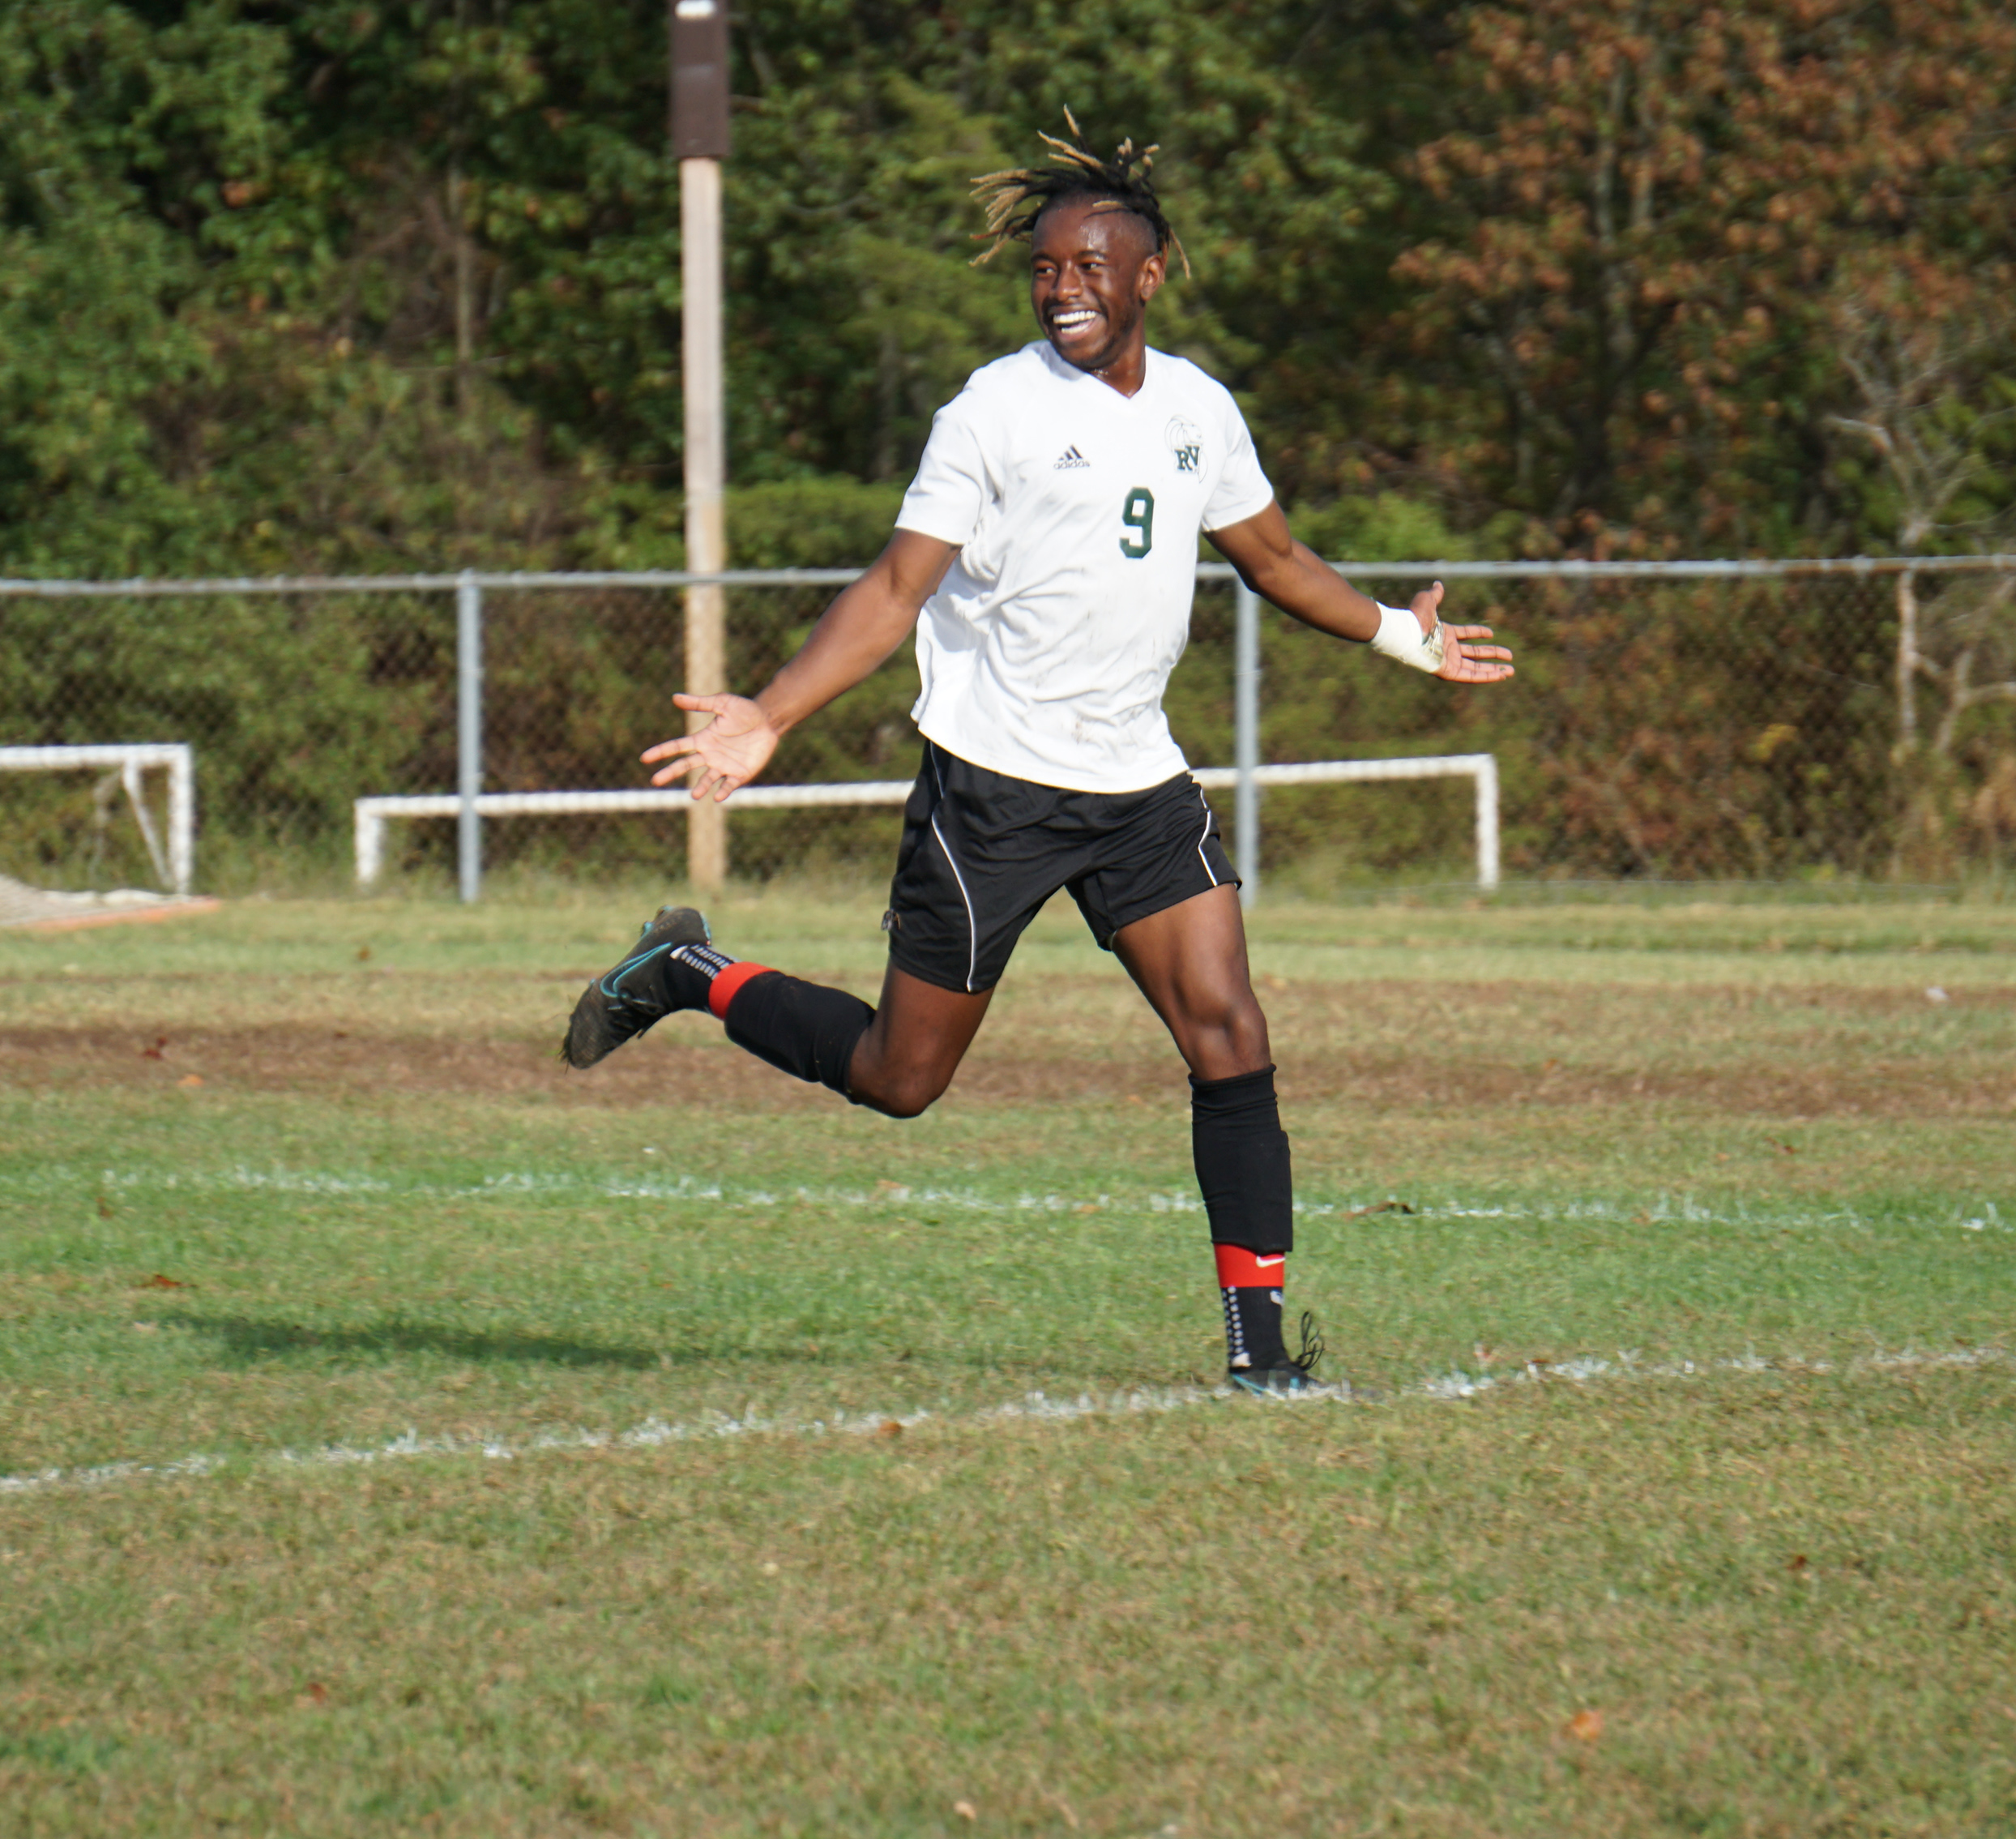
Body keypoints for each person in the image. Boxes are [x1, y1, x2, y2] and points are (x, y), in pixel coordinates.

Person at [562, 123, 1512, 1392]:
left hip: (1139, 789)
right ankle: (687, 970)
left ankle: (1261, 1355)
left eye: (1088, 266)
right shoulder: (993, 411)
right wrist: (774, 714)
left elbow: (1276, 560)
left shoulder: (1198, 410)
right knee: (902, 1080)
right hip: (994, 791)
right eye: (1045, 268)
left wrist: (1403, 635)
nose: (1063, 287)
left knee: (1230, 1035)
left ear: (1149, 274)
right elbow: (896, 589)